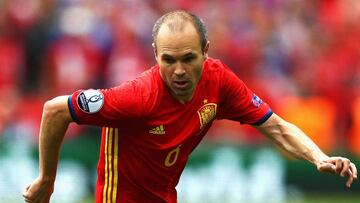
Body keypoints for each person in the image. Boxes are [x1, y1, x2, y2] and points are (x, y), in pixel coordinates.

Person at [23, 10, 357, 203]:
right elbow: (55, 109)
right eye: (168, 60)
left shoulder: (219, 81)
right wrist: (46, 180)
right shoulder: (137, 97)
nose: (179, 71)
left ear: (206, 51)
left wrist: (319, 157)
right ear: (155, 54)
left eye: (188, 58)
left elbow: (276, 127)